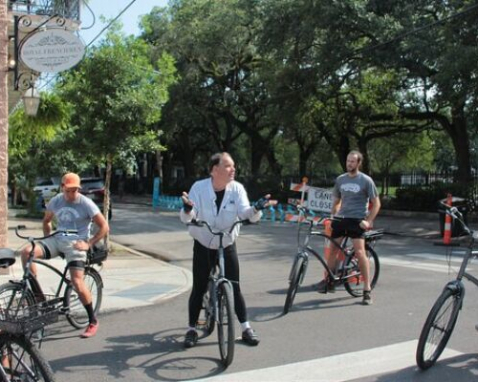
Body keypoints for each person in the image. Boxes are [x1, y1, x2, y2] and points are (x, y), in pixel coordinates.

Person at [179, 152, 276, 348]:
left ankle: (246, 327)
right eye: (228, 166)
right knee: (198, 287)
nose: (233, 169)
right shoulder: (199, 188)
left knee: (235, 286)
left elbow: (246, 213)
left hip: (227, 242)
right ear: (215, 170)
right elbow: (188, 216)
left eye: (233, 166)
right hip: (204, 243)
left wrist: (256, 208)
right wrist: (188, 209)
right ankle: (191, 329)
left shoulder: (237, 189)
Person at [21, 172, 109, 338]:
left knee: (76, 281)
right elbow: (46, 220)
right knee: (27, 253)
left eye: (74, 190)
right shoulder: (56, 201)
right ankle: (39, 299)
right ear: (62, 188)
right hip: (58, 239)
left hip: (77, 243)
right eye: (68, 190)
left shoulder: (86, 203)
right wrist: (47, 238)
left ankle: (92, 320)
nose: (71, 194)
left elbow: (104, 226)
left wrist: (88, 243)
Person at [316, 150, 381, 305]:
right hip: (341, 218)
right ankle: (329, 280)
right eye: (347, 161)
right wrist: (333, 216)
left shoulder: (366, 180)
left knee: (359, 252)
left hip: (357, 220)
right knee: (332, 250)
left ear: (358, 163)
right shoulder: (340, 180)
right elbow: (337, 202)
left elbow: (377, 204)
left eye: (352, 161)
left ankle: (367, 289)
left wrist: (368, 220)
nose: (349, 164)